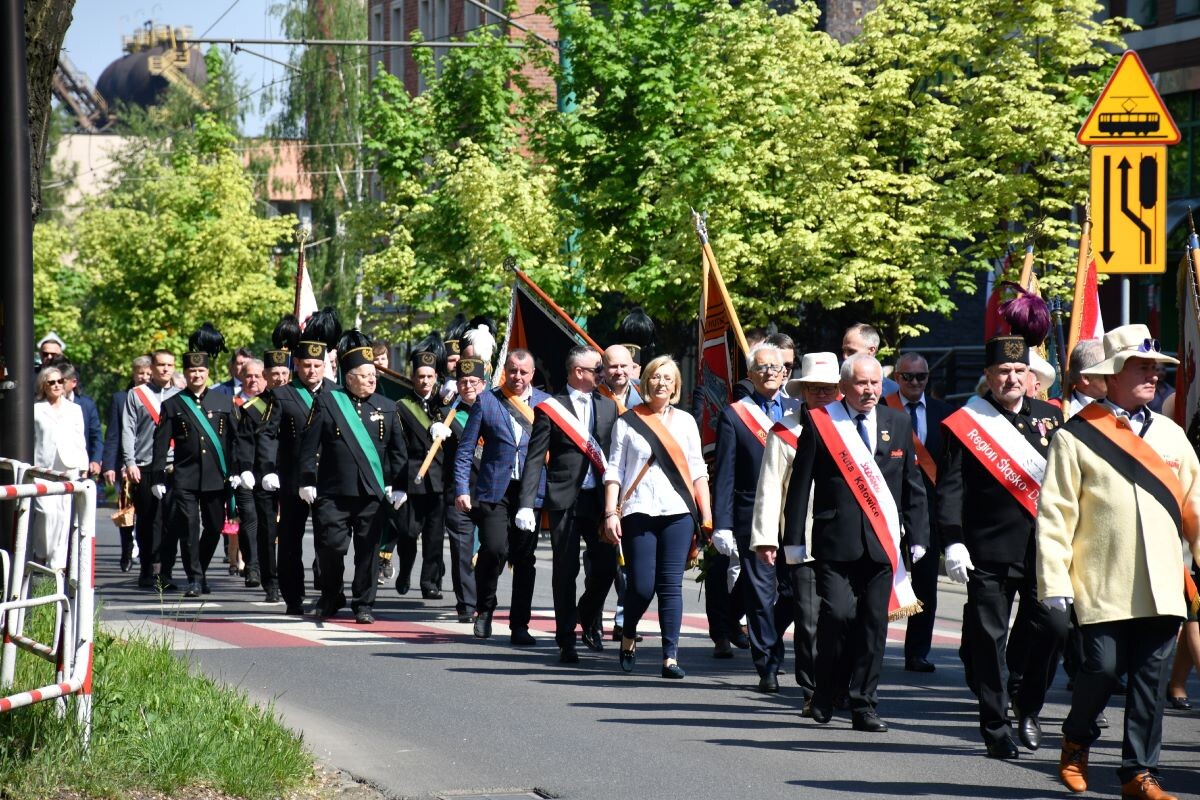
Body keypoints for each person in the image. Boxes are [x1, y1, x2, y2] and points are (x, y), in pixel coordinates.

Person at [1039, 324, 1200, 800]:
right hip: (1101, 581)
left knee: (1151, 682)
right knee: (1103, 670)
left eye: (1155, 368)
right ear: (1111, 376)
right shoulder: (1076, 436)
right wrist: (1053, 584)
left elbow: (1194, 505)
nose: (1153, 375)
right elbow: (1055, 514)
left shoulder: (1170, 434)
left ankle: (1138, 773)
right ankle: (1076, 740)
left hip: (1164, 582)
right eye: (1142, 367)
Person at [774, 353, 928, 731]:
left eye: (875, 383)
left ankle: (864, 704)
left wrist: (919, 534)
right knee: (838, 615)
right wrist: (793, 540)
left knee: (874, 624)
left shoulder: (898, 420)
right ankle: (825, 691)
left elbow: (912, 484)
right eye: (861, 383)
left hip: (882, 544)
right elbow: (800, 485)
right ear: (843, 387)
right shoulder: (822, 422)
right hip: (834, 541)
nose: (869, 390)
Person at [938, 335, 1067, 759]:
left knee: (1052, 628)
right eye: (1003, 371)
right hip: (986, 551)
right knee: (989, 642)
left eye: (1019, 371)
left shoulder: (1052, 418)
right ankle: (995, 728)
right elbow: (951, 489)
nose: (1012, 378)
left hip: (1044, 549)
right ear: (989, 377)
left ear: (1031, 377)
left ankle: (1028, 705)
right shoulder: (966, 423)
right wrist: (953, 542)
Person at [603, 355, 711, 680]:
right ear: (645, 382)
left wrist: (706, 515)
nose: (661, 383)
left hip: (678, 511)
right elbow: (614, 471)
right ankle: (629, 632)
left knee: (670, 586)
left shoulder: (686, 422)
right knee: (641, 586)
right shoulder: (627, 421)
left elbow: (698, 471)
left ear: (676, 385)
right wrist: (611, 512)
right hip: (638, 511)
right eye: (655, 377)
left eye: (667, 378)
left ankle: (670, 657)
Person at [517, 345, 619, 664]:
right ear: (579, 372)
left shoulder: (609, 407)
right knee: (566, 569)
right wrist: (525, 504)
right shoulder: (551, 407)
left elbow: (615, 458)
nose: (602, 375)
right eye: (597, 370)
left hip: (598, 500)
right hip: (563, 499)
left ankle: (585, 615)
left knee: (605, 566)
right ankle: (566, 640)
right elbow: (535, 460)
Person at [751, 351, 841, 713]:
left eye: (829, 388)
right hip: (801, 539)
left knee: (841, 616)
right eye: (814, 388)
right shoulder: (785, 431)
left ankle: (840, 683)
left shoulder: (852, 427)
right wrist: (765, 537)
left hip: (844, 539)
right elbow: (770, 486)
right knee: (807, 618)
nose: (822, 394)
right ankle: (812, 689)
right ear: (802, 391)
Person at [299, 331, 408, 624]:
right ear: (349, 378)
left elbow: (398, 452)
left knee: (368, 552)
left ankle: (364, 603)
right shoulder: (329, 403)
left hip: (371, 494)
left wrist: (399, 486)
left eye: (373, 374)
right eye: (364, 375)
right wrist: (307, 480)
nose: (372, 379)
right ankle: (332, 594)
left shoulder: (387, 406)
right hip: (333, 493)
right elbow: (309, 446)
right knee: (331, 548)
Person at [712, 343, 801, 692]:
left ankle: (766, 638)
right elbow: (726, 474)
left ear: (784, 373)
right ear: (749, 375)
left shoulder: (798, 411)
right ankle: (767, 663)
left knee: (792, 593)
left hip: (792, 517)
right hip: (752, 516)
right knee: (762, 593)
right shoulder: (735, 414)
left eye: (774, 368)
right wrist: (722, 523)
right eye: (761, 368)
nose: (768, 373)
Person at [454, 348, 551, 644]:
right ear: (504, 372)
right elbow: (465, 449)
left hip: (530, 491)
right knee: (494, 549)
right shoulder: (488, 401)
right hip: (495, 490)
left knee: (524, 558)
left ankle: (519, 624)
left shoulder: (547, 405)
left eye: (523, 372)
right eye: (512, 371)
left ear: (532, 374)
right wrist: (461, 489)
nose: (517, 377)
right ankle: (484, 607)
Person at [150, 324, 254, 598]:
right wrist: (158, 476)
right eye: (192, 371)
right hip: (184, 476)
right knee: (188, 527)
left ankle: (201, 570)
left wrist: (236, 469)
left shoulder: (223, 401)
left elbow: (235, 439)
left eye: (201, 371)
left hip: (215, 477)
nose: (197, 375)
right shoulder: (173, 405)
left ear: (208, 373)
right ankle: (195, 579)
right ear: (185, 374)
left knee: (214, 527)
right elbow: (160, 444)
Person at [259, 309, 341, 615]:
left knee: (328, 543)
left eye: (317, 366)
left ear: (325, 366)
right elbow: (268, 435)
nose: (311, 371)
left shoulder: (337, 394)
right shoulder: (282, 396)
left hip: (328, 481)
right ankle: (293, 597)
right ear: (297, 365)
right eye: (306, 366)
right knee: (291, 543)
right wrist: (268, 469)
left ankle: (329, 594)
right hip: (292, 480)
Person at [885, 352, 953, 673]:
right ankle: (872, 646)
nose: (914, 383)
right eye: (907, 377)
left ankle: (918, 651)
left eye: (921, 377)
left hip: (928, 514)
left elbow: (951, 469)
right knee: (881, 580)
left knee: (925, 583)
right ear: (896, 377)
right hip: (885, 509)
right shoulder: (881, 409)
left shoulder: (944, 414)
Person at [122, 349, 180, 590]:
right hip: (144, 466)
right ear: (152, 368)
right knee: (148, 521)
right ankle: (147, 570)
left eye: (169, 365)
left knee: (172, 522)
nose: (165, 369)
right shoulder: (137, 395)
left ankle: (165, 571)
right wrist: (130, 462)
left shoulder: (181, 396)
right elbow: (128, 429)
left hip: (174, 466)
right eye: (160, 365)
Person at [393, 349, 449, 599]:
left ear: (436, 376)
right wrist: (396, 484)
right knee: (407, 533)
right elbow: (397, 447)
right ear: (413, 377)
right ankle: (405, 570)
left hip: (438, 480)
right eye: (420, 376)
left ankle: (429, 582)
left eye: (429, 376)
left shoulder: (446, 405)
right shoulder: (402, 406)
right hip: (411, 477)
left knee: (435, 536)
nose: (425, 381)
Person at [597, 344, 644, 643]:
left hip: (635, 491)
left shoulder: (646, 401)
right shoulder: (594, 398)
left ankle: (623, 620)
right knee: (601, 564)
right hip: (600, 490)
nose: (619, 372)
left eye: (624, 366)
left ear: (634, 369)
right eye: (613, 366)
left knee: (629, 562)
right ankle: (592, 618)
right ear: (604, 368)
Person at [30, 365, 89, 570]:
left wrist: (83, 466)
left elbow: (79, 439)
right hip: (42, 468)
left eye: (60, 381)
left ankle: (57, 566)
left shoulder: (75, 409)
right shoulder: (36, 409)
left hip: (68, 466)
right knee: (46, 514)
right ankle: (41, 554)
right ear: (43, 386)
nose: (56, 385)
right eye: (51, 382)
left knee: (64, 518)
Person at [439, 356, 484, 623]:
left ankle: (485, 596)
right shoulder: (447, 415)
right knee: (461, 550)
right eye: (463, 382)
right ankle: (467, 604)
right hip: (458, 492)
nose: (468, 386)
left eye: (473, 382)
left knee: (495, 549)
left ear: (483, 383)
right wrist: (433, 436)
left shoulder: (494, 409)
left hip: (489, 491)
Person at [103, 355, 152, 572]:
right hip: (125, 465)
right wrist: (109, 465)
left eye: (148, 373)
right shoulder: (120, 398)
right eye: (140, 373)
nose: (144, 377)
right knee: (126, 511)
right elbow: (114, 434)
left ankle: (146, 553)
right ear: (133, 374)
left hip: (149, 463)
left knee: (147, 513)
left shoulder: (158, 398)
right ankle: (126, 550)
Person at [231, 358, 269, 587]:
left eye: (257, 375)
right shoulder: (232, 405)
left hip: (267, 473)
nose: (253, 379)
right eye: (248, 375)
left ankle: (265, 567)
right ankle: (252, 566)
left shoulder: (271, 404)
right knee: (249, 520)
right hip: (242, 474)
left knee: (267, 523)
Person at [57, 363, 102, 479]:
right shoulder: (45, 406)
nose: (58, 386)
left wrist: (95, 460)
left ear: (73, 383)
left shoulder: (86, 405)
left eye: (62, 381)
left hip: (79, 467)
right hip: (54, 465)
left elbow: (95, 435)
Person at [841, 323, 899, 396]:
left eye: (851, 351)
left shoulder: (892, 391)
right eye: (844, 351)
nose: (845, 357)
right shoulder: (833, 389)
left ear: (871, 350)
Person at [1065, 339, 1107, 418]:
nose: (1114, 374)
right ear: (1086, 378)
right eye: (1106, 369)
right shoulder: (1060, 411)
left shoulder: (1126, 403)